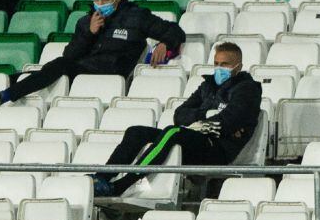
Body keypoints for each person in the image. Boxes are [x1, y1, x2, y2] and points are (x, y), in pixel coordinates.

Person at [0, 0, 186, 108]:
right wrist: (90, 32)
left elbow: (175, 31)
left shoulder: (136, 16)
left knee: (55, 67)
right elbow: (70, 54)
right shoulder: (87, 21)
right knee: (41, 71)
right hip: (85, 68)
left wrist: (164, 43)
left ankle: (4, 96)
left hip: (114, 70)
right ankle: (6, 92)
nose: (100, 4)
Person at [92, 42, 261, 197]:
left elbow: (229, 122)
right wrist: (205, 117)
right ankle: (101, 178)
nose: (218, 68)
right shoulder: (207, 86)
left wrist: (201, 123)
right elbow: (180, 115)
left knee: (173, 132)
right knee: (136, 132)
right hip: (196, 140)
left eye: (224, 64)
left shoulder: (248, 89)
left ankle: (120, 186)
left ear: (238, 66)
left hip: (218, 150)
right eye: (216, 63)